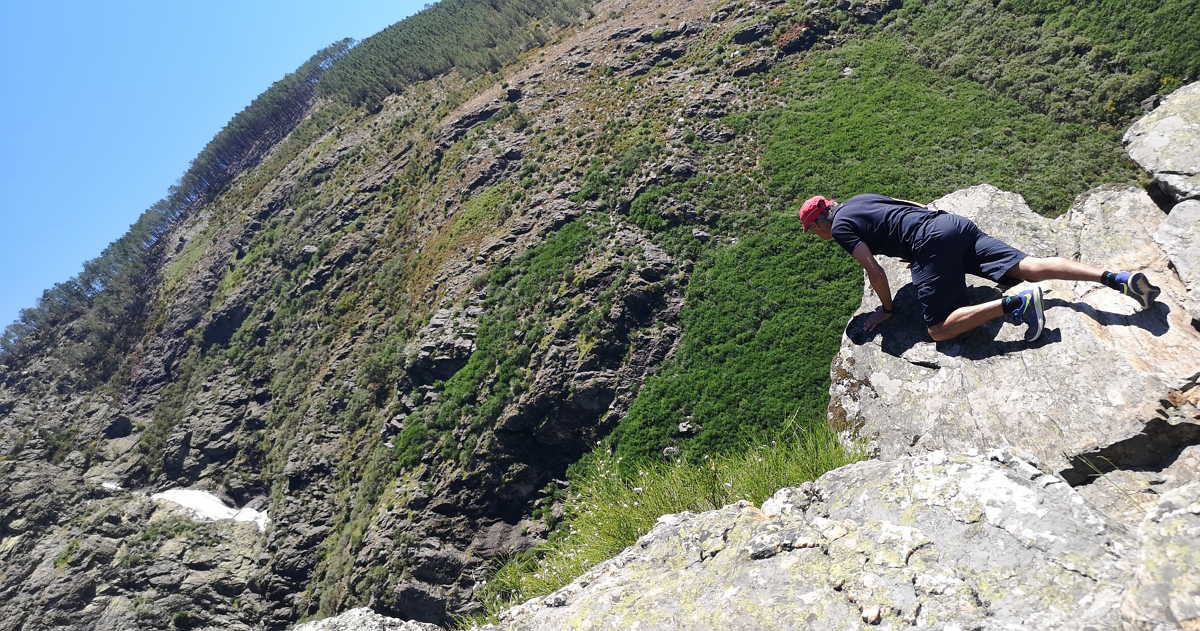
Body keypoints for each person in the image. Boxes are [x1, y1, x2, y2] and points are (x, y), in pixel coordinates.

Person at [798, 193, 1160, 341]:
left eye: (812, 231)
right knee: (1027, 266)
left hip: (932, 242)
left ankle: (1015, 305)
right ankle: (1118, 279)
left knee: (939, 329)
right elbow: (912, 205)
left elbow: (874, 271)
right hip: (952, 224)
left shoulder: (842, 228)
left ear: (819, 224)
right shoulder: (860, 200)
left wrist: (887, 310)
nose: (816, 236)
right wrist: (920, 238)